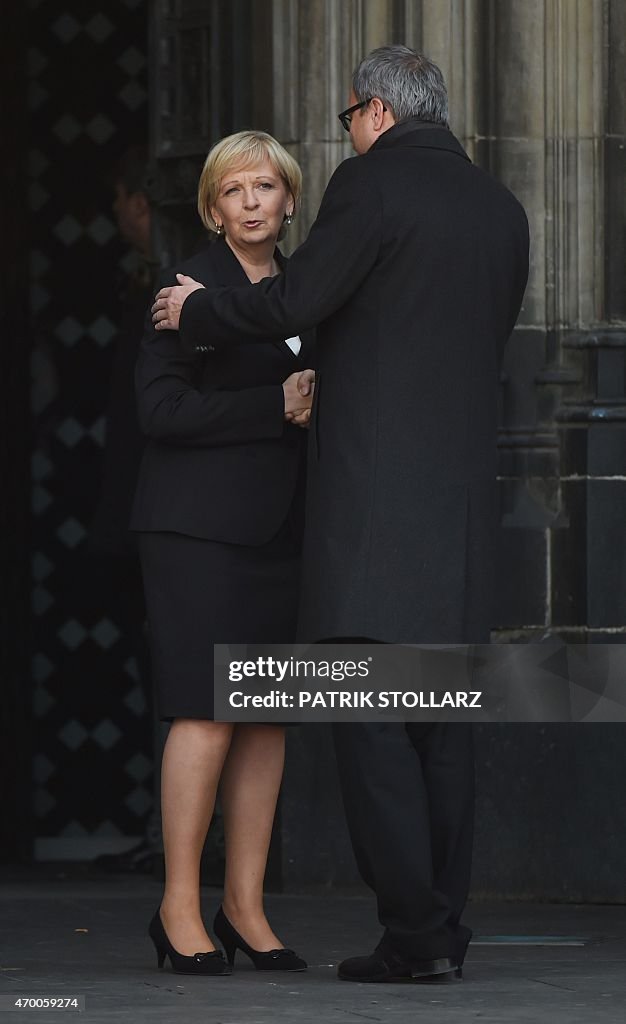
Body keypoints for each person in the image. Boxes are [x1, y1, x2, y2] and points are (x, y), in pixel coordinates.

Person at [152, 46, 530, 984]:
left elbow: (301, 297)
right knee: (442, 727)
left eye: (346, 118)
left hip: (373, 511)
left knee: (374, 727)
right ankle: (442, 928)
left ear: (375, 114)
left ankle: (411, 938)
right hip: (460, 518)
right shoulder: (501, 208)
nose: (347, 135)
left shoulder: (371, 186)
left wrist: (197, 314)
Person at [131, 130, 314, 975]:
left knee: (267, 718)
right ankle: (177, 908)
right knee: (206, 713)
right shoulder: (185, 291)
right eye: (234, 189)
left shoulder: (313, 290)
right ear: (213, 205)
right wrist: (270, 407)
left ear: (289, 201)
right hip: (198, 533)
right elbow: (160, 412)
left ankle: (243, 906)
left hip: (285, 531)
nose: (251, 201)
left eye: (266, 186)